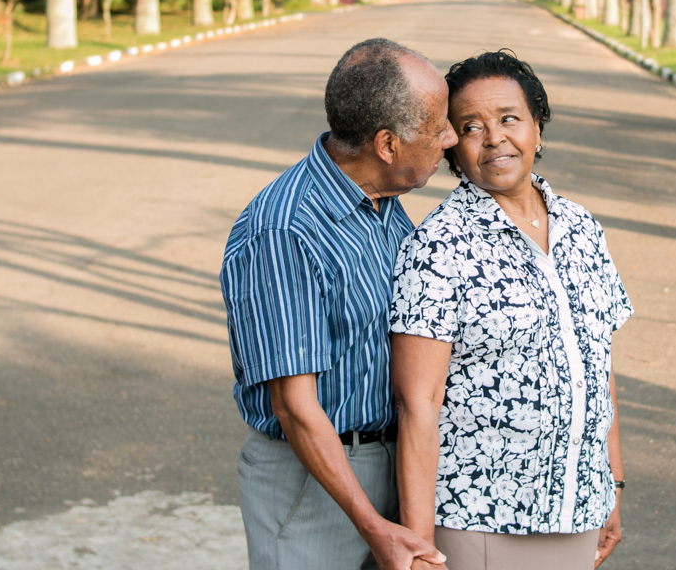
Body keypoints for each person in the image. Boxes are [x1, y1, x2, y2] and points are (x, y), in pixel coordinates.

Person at [220, 38, 457, 570]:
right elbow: (295, 407)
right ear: (387, 145)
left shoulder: (383, 203)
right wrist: (373, 525)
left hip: (393, 462)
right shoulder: (285, 231)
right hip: (316, 482)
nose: (450, 137)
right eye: (438, 125)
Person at [390, 50, 631, 570]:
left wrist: (611, 481)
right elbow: (419, 403)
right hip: (482, 519)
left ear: (537, 128)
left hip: (577, 507)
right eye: (471, 127)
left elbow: (597, 363)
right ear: (453, 148)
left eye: (509, 119)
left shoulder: (581, 228)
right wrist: (418, 543)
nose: (494, 137)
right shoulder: (439, 246)